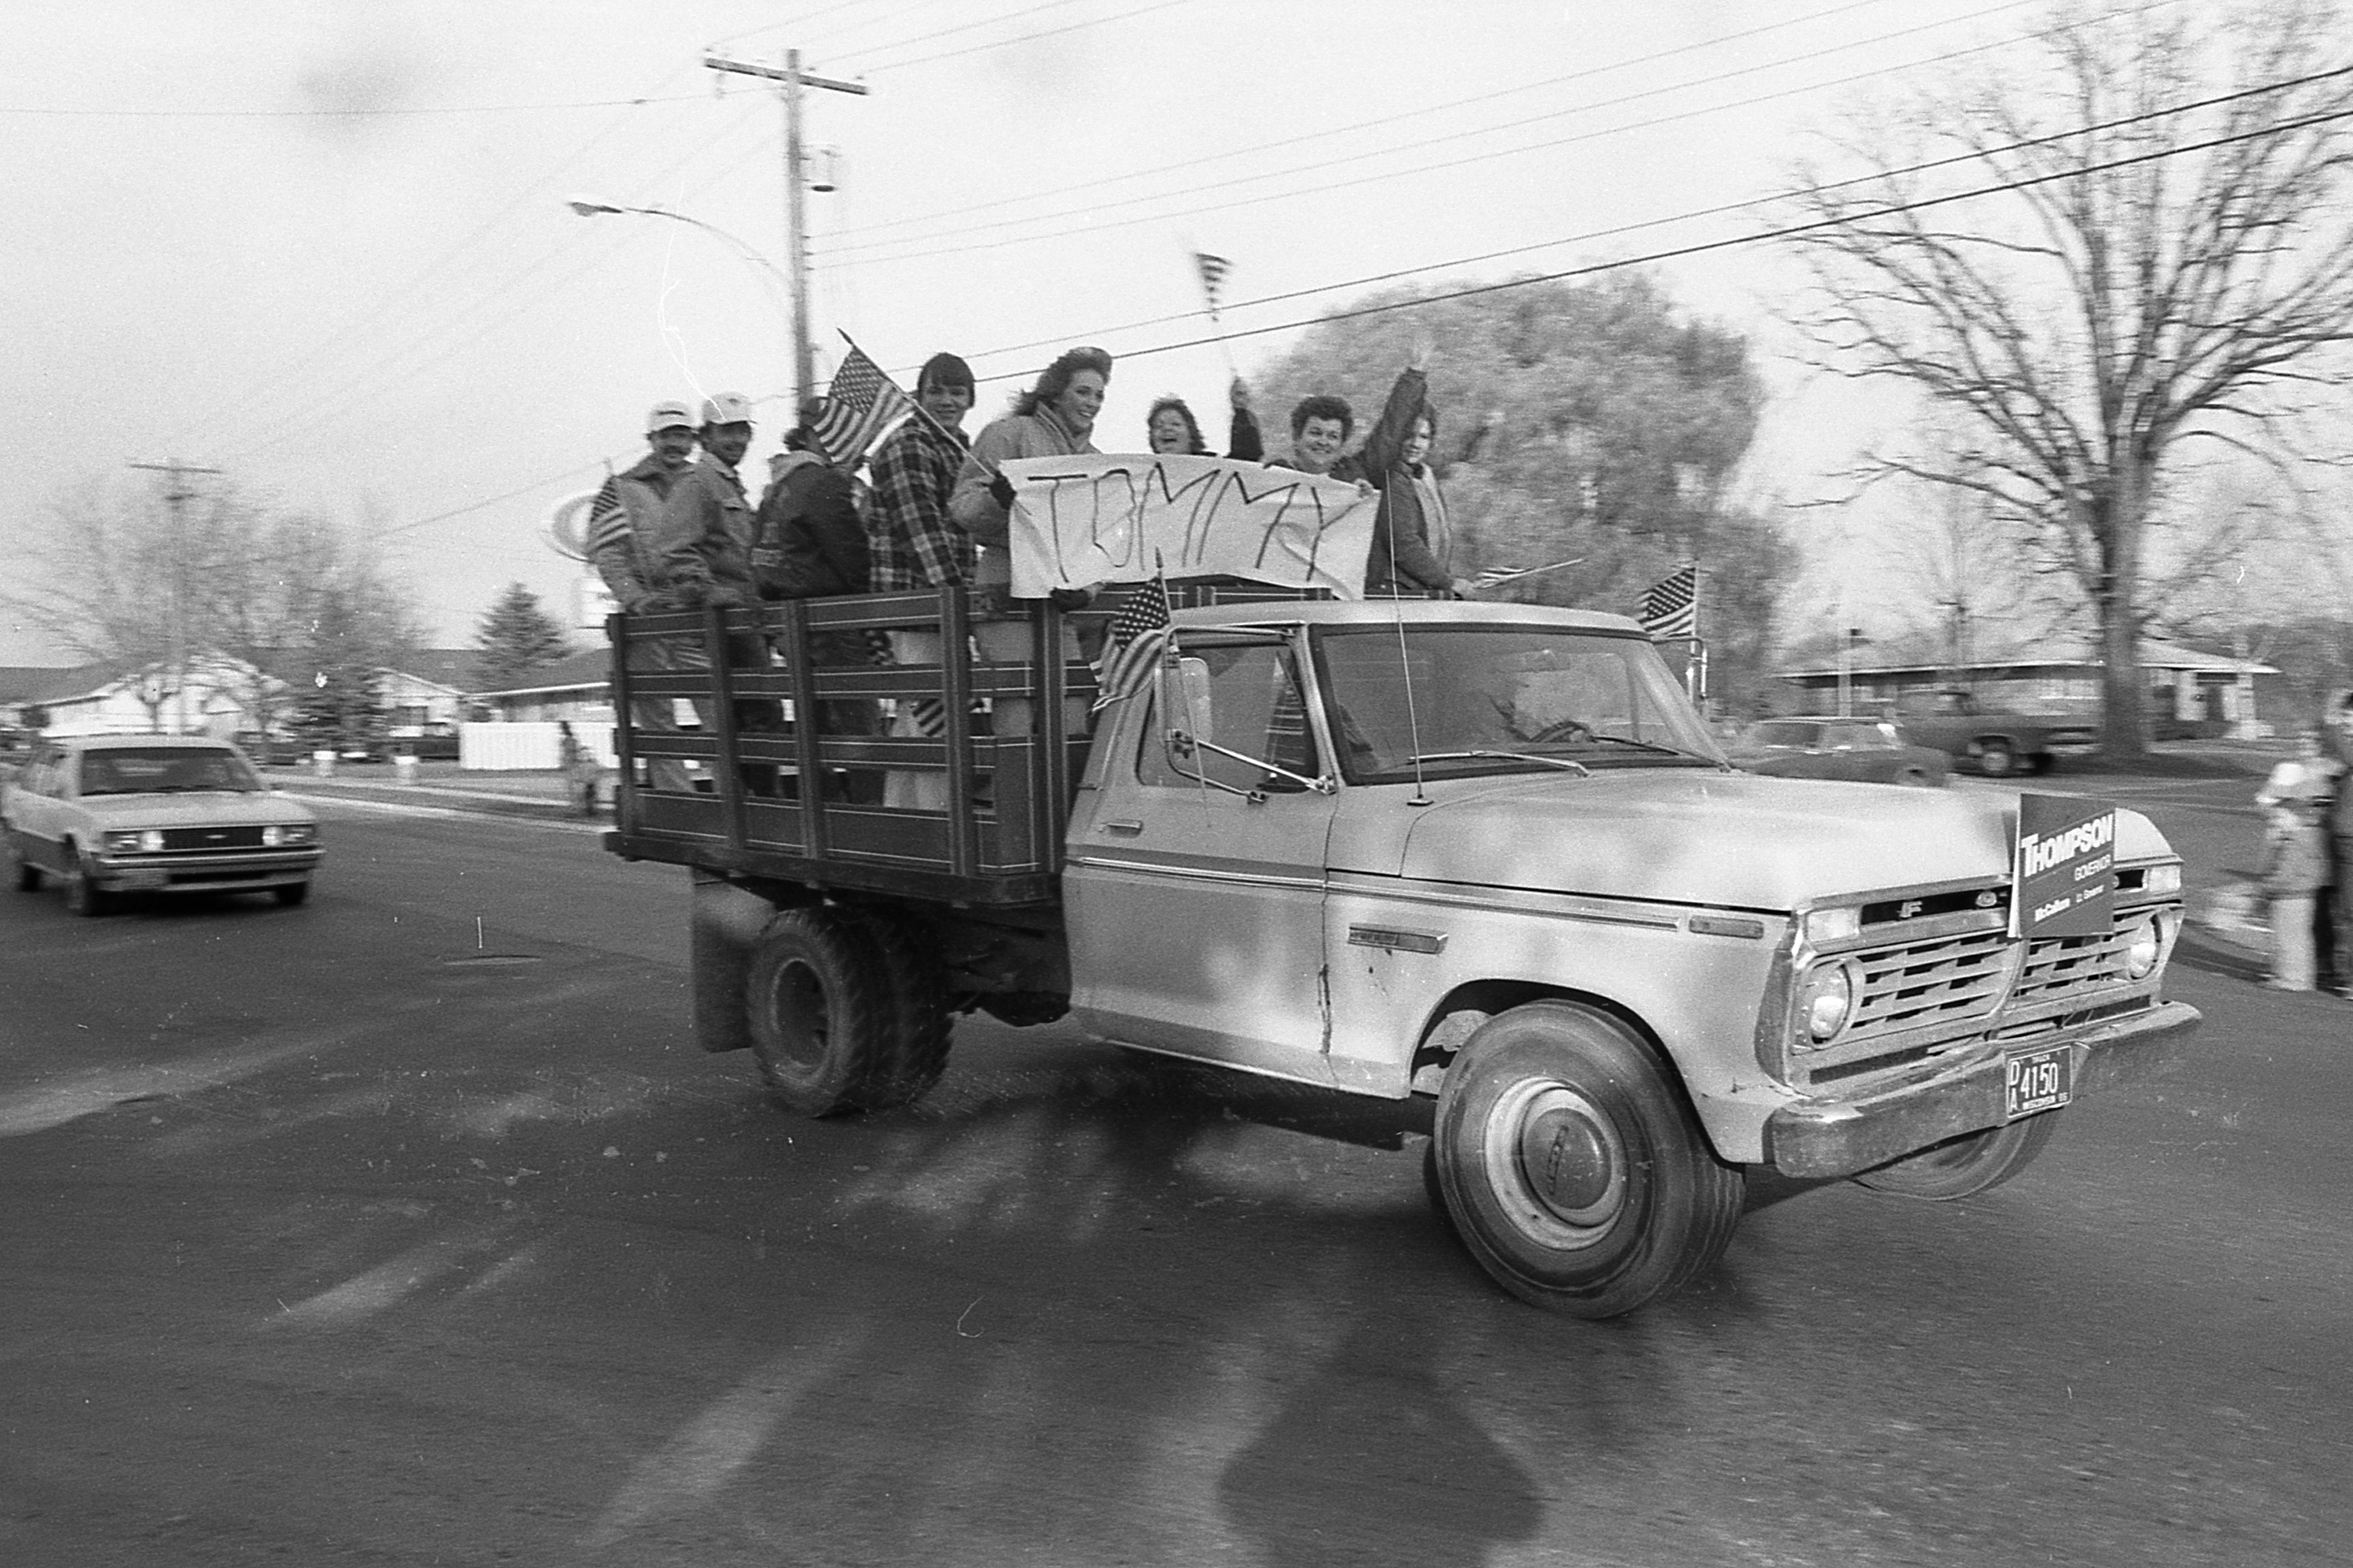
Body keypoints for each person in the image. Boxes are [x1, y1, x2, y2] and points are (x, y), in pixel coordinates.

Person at [949, 346, 1112, 742]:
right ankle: (1017, 783)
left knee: (1072, 707)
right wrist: (995, 499)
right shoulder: (1009, 434)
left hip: (1060, 593)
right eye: (1083, 392)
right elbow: (963, 507)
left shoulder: (1097, 460)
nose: (1091, 403)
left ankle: (1066, 785)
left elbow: (1106, 540)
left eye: (1099, 395)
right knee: (1017, 705)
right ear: (1056, 392)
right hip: (1005, 581)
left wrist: (1090, 590)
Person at [641, 392, 781, 790]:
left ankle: (757, 804)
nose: (737, 440)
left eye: (743, 431)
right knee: (757, 716)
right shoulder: (698, 482)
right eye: (727, 431)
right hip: (726, 624)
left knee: (757, 716)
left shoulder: (727, 484)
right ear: (706, 436)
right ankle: (758, 809)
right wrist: (710, 592)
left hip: (746, 620)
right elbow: (673, 550)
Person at [755, 407, 881, 802]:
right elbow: (852, 553)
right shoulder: (822, 481)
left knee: (814, 723)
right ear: (811, 434)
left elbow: (759, 555)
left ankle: (824, 811)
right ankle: (872, 813)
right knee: (860, 721)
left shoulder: (779, 486)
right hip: (830, 616)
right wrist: (869, 605)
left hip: (789, 616)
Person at [869, 352, 977, 809]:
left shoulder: (958, 448)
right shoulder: (909, 444)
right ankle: (939, 821)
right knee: (936, 717)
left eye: (957, 392)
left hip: (936, 604)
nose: (947, 401)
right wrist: (960, 602)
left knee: (916, 716)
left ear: (970, 399)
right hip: (915, 602)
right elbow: (922, 533)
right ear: (919, 396)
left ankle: (903, 818)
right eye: (936, 391)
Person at [587, 400, 698, 790]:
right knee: (656, 716)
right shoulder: (622, 487)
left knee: (718, 708)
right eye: (667, 435)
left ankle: (729, 803)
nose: (675, 444)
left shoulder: (704, 484)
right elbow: (608, 553)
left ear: (693, 440)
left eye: (682, 435)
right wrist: (636, 598)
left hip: (696, 614)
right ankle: (679, 803)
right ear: (651, 439)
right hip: (647, 617)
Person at [2257, 778, 2332, 992]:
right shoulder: (2310, 837)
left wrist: (2267, 887)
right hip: (2305, 895)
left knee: (2286, 938)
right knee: (2301, 938)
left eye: (2280, 818)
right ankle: (2301, 976)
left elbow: (2285, 873)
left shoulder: (2294, 843)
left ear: (2295, 818)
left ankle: (2290, 978)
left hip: (2288, 896)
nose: (2276, 823)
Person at [1145, 377, 1262, 461]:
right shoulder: (1142, 474)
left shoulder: (1213, 466)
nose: (1167, 429)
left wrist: (1240, 411)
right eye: (1159, 426)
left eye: (1176, 424)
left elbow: (1245, 458)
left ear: (1191, 435)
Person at [556, 720, 600, 817]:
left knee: (576, 788)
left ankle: (578, 808)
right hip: (573, 765)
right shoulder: (570, 741)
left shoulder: (568, 741)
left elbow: (569, 753)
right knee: (580, 787)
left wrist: (565, 762)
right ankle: (586, 807)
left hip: (573, 765)